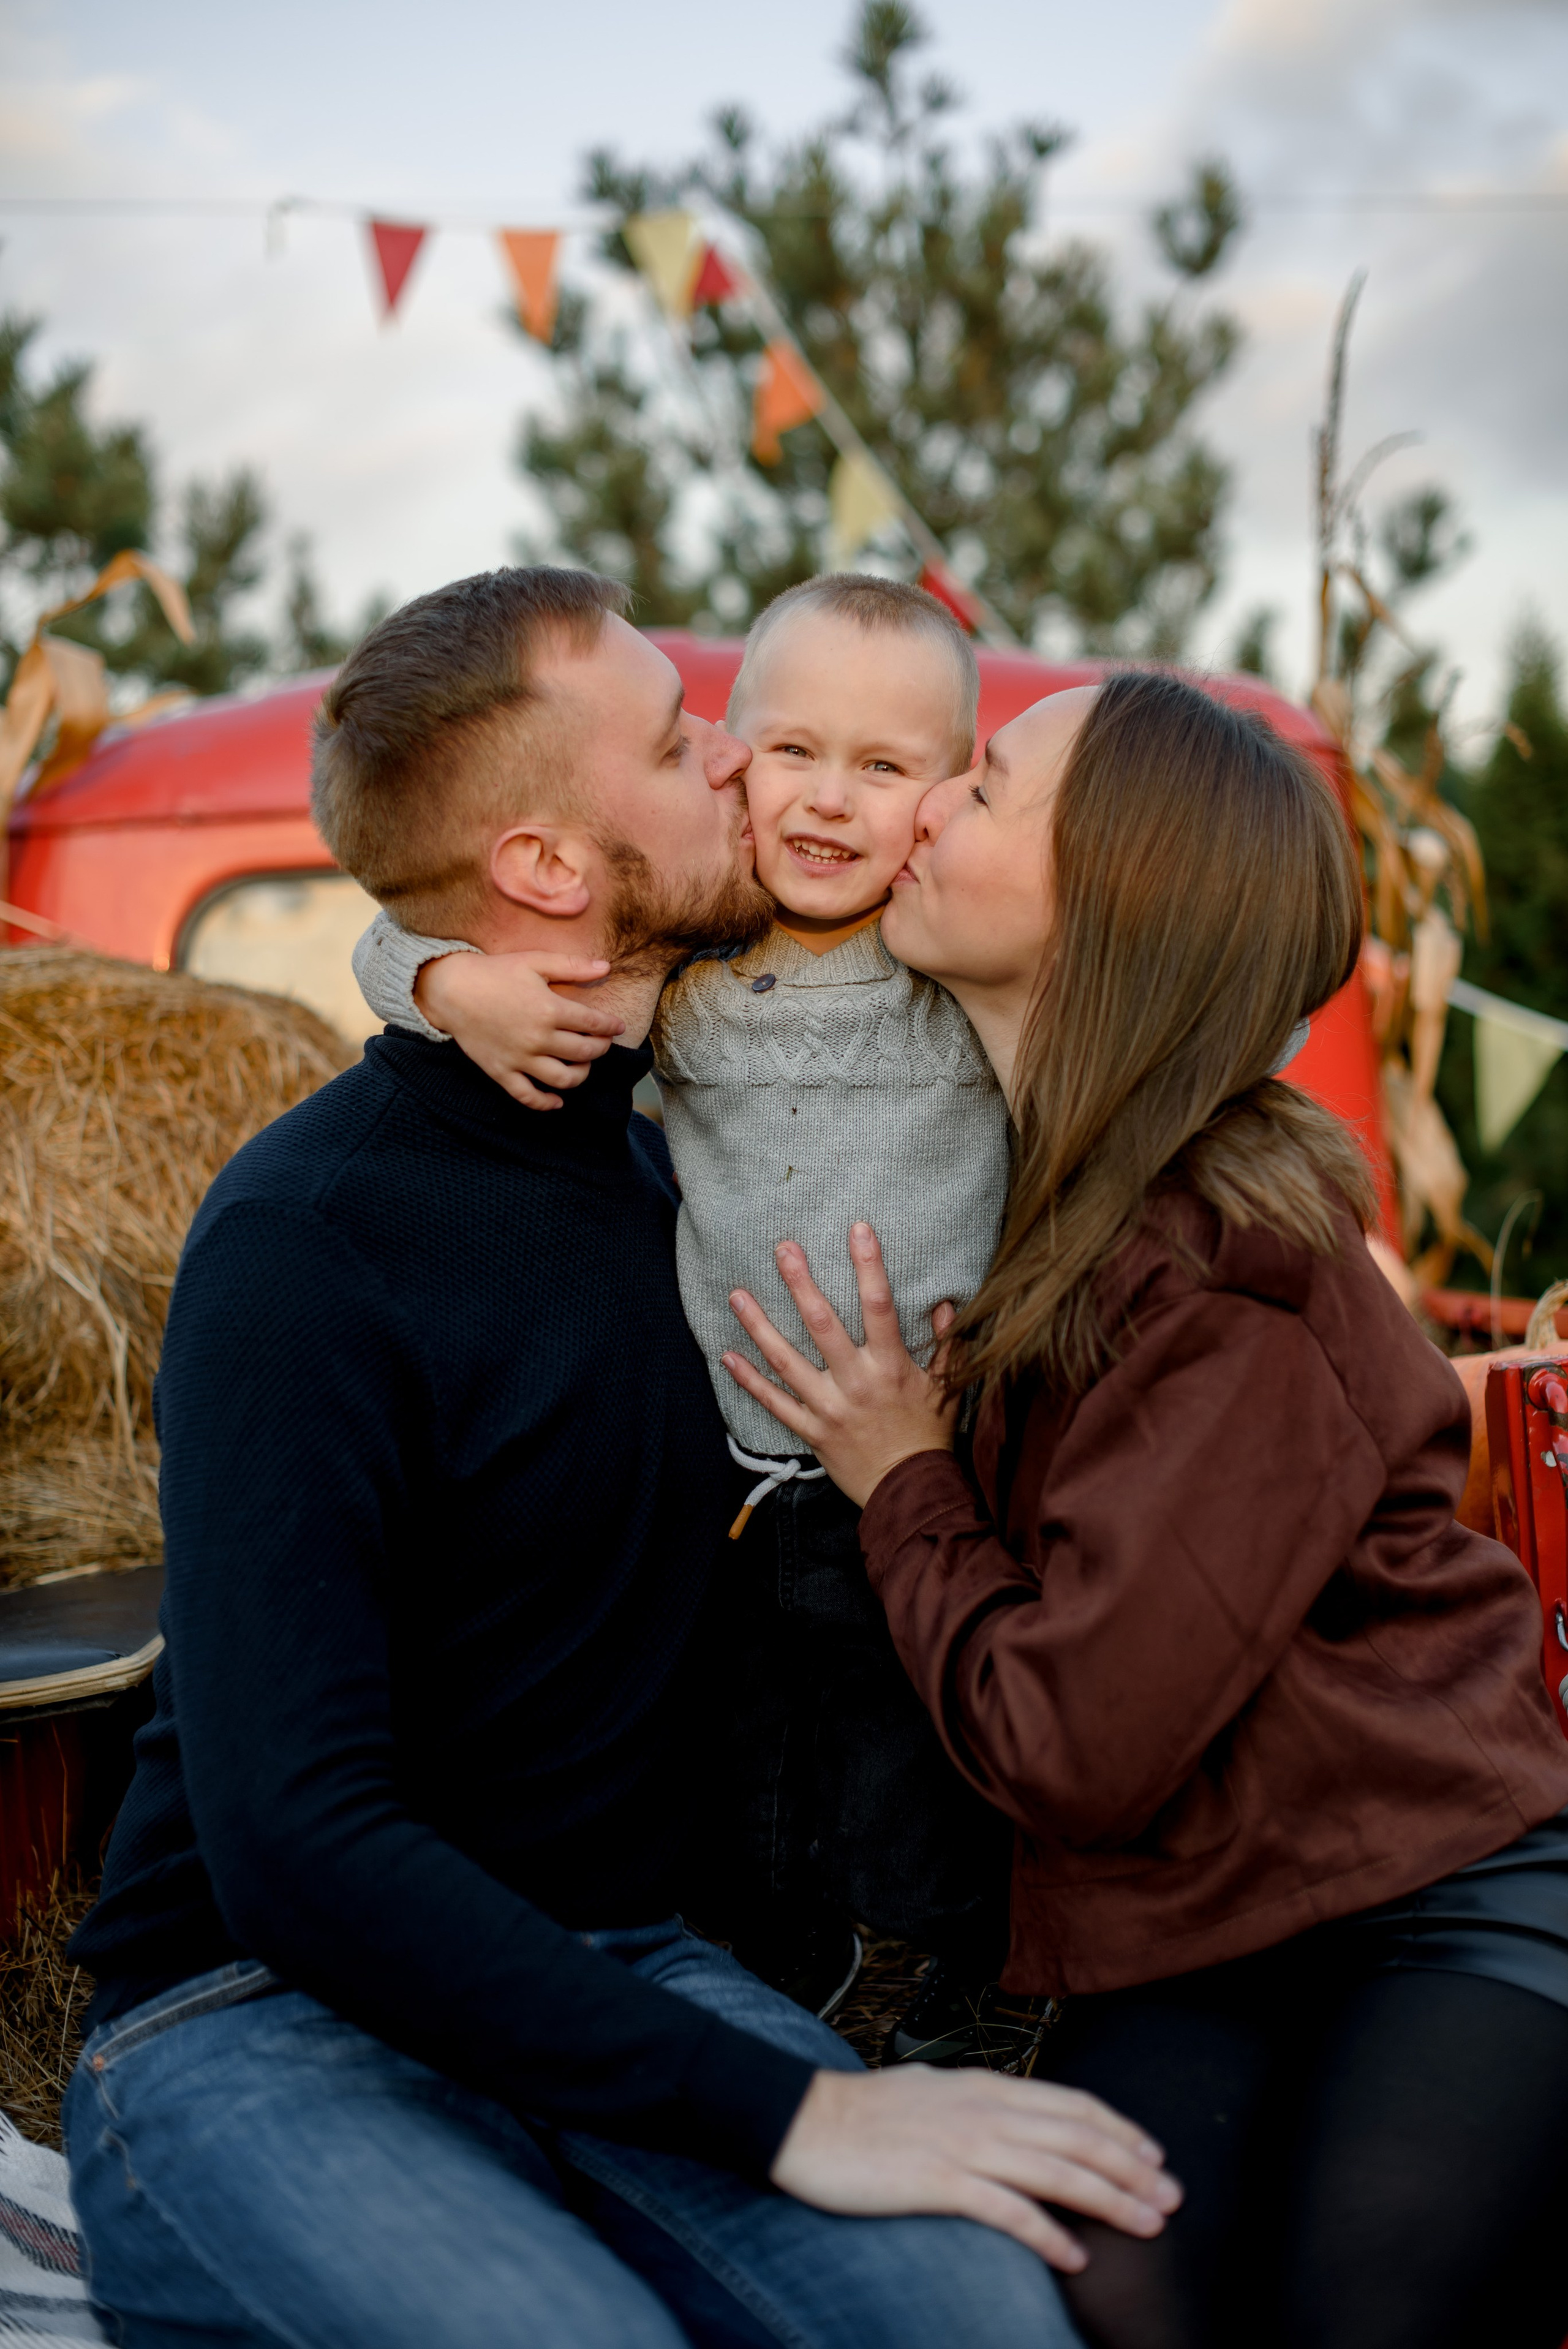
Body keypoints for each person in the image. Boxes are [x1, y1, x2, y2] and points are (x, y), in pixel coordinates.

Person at [62, 570, 1180, 2349]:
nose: (742, 755)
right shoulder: (307, 1238)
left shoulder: (678, 1161)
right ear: (551, 870)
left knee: (980, 2317)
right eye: (684, 737)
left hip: (625, 1966)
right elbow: (295, 1844)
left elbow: (1126, 993)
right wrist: (801, 2109)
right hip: (256, 2013)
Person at [723, 669, 1568, 2349]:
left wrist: (902, 1475)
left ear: (1109, 894)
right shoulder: (1036, 1184)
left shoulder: (1228, 1265)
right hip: (1199, 1925)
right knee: (1119, 2294)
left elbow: (1078, 1740)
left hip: (1436, 1891)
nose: (927, 805)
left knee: (1362, 2297)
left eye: (986, 785)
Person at [352, 574, 1016, 2020]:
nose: (829, 801)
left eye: (884, 767)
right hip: (729, 1475)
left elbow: (1210, 988)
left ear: (951, 791)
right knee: (745, 1751)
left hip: (915, 1464)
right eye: (792, 751)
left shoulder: (951, 966)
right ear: (730, 750)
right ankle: (778, 1977)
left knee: (910, 1750)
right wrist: (455, 979)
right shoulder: (691, 981)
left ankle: (939, 1990)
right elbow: (381, 952)